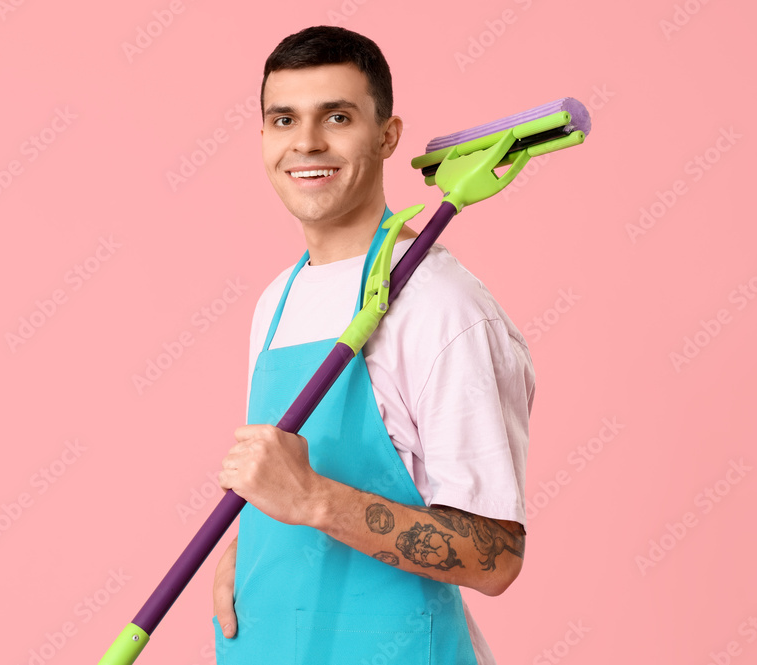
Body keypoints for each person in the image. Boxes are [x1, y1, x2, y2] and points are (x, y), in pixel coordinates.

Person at [213, 25, 533, 665]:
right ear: (263, 138)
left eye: (337, 116)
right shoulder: (277, 299)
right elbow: (280, 473)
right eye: (284, 119)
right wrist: (242, 546)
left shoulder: (444, 307)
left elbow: (496, 556)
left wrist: (312, 500)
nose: (306, 142)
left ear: (387, 136)